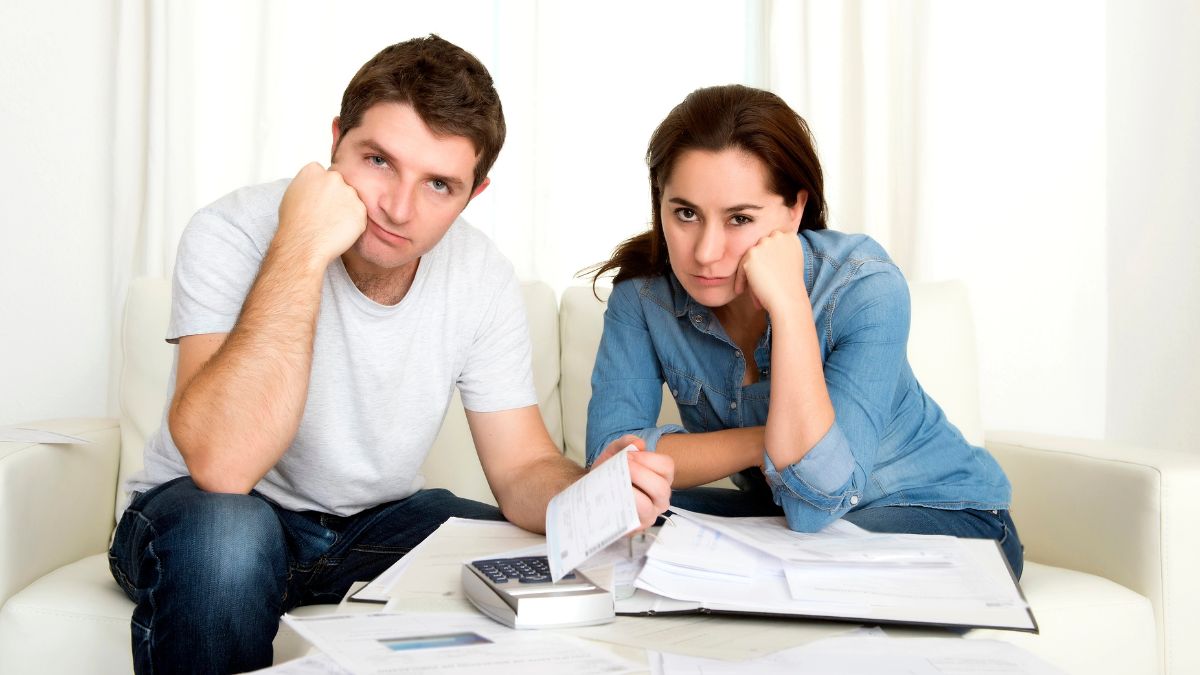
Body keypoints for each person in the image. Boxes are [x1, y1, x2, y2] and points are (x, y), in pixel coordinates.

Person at [108, 35, 673, 674]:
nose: (399, 209)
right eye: (378, 160)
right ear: (334, 142)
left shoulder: (480, 273)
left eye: (439, 184)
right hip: (204, 512)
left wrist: (595, 495)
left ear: (473, 195)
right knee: (230, 538)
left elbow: (522, 469)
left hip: (369, 527)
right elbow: (222, 466)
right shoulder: (233, 230)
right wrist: (300, 243)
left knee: (516, 547)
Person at [585, 84, 1021, 577]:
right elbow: (610, 471)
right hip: (792, 521)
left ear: (793, 211)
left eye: (740, 219)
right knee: (630, 529)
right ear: (658, 202)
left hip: (943, 512)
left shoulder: (864, 287)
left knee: (789, 561)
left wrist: (790, 304)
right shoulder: (643, 297)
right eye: (685, 213)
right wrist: (765, 441)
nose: (706, 252)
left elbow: (818, 501)